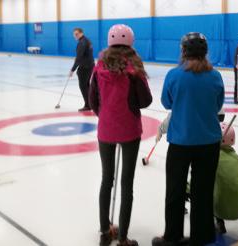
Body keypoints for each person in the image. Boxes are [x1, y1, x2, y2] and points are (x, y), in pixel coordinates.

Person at [152, 32, 224, 246]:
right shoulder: (215, 75)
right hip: (209, 142)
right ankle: (202, 236)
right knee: (203, 191)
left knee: (175, 190)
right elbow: (218, 105)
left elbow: (167, 102)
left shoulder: (174, 75)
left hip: (181, 142)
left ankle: (172, 236)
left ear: (183, 51)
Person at [89, 24, 151, 246]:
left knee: (107, 179)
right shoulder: (134, 66)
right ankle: (123, 237)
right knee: (126, 183)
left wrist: (104, 116)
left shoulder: (99, 66)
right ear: (131, 43)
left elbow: (92, 99)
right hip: (129, 130)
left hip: (105, 130)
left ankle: (105, 229)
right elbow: (146, 100)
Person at [214, 123, 238, 238]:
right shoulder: (237, 159)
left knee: (213, 191)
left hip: (218, 209)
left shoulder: (212, 158)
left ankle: (220, 223)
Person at [70, 28, 95, 112]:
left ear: (81, 33)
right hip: (90, 65)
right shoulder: (87, 40)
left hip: (85, 67)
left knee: (83, 86)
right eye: (74, 34)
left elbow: (79, 57)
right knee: (87, 85)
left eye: (76, 34)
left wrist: (72, 69)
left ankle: (88, 105)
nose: (75, 36)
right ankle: (90, 104)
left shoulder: (82, 43)